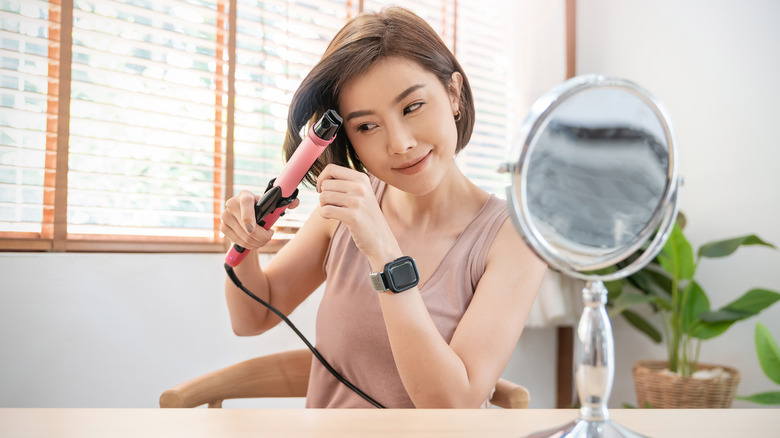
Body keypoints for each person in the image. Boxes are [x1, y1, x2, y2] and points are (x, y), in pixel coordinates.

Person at [220, 7, 546, 408]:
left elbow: (452, 406)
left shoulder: (515, 239)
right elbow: (251, 319)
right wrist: (245, 242)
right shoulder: (343, 214)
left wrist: (385, 253)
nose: (400, 143)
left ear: (453, 93)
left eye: (412, 107)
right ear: (348, 141)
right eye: (367, 126)